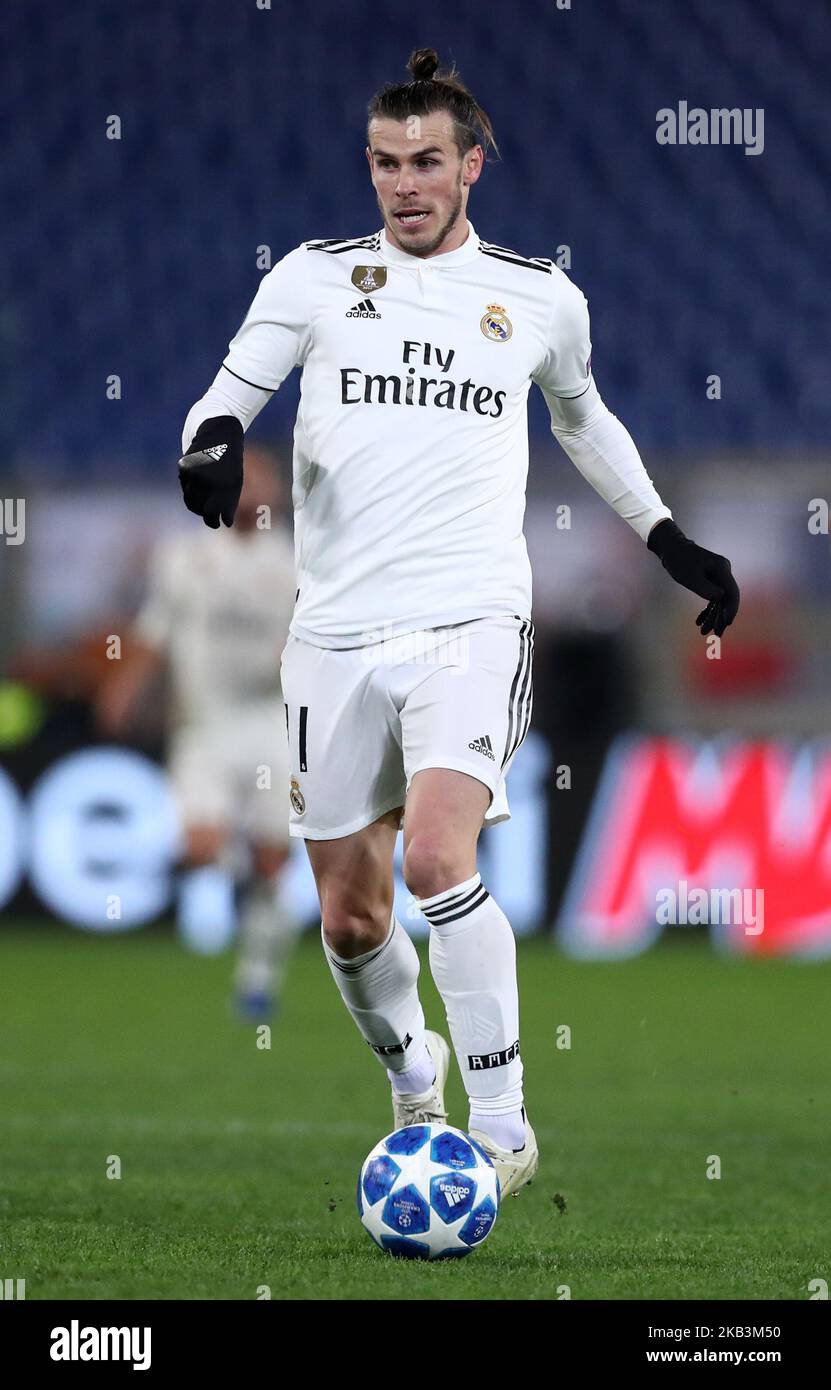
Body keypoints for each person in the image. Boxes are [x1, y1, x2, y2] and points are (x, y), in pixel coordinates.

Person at [176, 49, 739, 1196]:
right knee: (346, 918)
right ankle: (411, 1072)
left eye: (427, 160)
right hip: (331, 632)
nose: (404, 183)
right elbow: (230, 390)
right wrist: (211, 443)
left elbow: (588, 424)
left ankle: (503, 1123)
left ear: (472, 163)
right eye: (385, 162)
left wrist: (670, 541)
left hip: (471, 620)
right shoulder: (313, 279)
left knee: (438, 853)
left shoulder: (538, 297)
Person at [97, 446, 299, 1018]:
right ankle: (232, 862)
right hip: (204, 726)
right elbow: (154, 632)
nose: (254, 492)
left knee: (270, 862)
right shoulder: (184, 556)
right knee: (202, 849)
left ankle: (257, 980)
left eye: (263, 482)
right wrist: (123, 689)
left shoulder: (295, 563)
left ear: (278, 494)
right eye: (244, 480)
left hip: (270, 725)